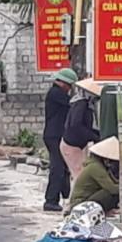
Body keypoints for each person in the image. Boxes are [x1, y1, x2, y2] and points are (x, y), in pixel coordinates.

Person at [42, 67, 77, 211]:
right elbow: (72, 103)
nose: (69, 89)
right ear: (63, 83)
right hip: (54, 136)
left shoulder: (57, 93)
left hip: (56, 135)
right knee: (57, 168)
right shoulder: (56, 93)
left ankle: (68, 196)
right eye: (69, 86)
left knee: (63, 167)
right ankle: (50, 200)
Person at [68, 136, 120, 215]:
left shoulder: (99, 166)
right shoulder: (95, 167)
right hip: (80, 204)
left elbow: (114, 182)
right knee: (110, 193)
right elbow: (112, 188)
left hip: (84, 201)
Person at [60, 79, 101, 180]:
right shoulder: (81, 104)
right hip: (71, 145)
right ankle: (77, 196)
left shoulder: (82, 103)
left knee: (80, 174)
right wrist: (94, 136)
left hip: (75, 144)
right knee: (79, 176)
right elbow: (76, 125)